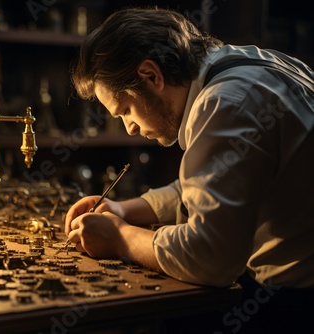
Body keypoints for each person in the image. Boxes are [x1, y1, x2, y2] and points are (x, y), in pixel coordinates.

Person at [65, 6, 314, 334]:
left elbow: (211, 259)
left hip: (296, 305)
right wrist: (123, 209)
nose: (130, 129)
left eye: (125, 110)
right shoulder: (253, 64)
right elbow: (217, 185)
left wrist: (120, 238)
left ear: (151, 75)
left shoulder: (224, 103)